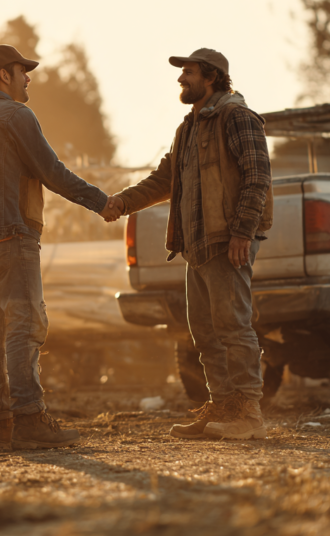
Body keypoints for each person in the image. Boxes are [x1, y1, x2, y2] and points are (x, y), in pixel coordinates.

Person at [0, 44, 122, 451]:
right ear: (3, 76)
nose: (28, 78)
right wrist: (102, 202)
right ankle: (30, 419)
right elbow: (52, 171)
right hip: (13, 236)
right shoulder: (16, 115)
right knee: (25, 325)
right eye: (21, 71)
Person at [112, 49, 273, 440]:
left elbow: (257, 175)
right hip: (197, 247)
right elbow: (163, 180)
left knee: (234, 328)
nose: (181, 78)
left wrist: (241, 232)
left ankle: (248, 415)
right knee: (203, 332)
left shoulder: (237, 117)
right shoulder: (188, 128)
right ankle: (221, 408)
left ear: (212, 77)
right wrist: (119, 203)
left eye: (188, 72)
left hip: (226, 242)